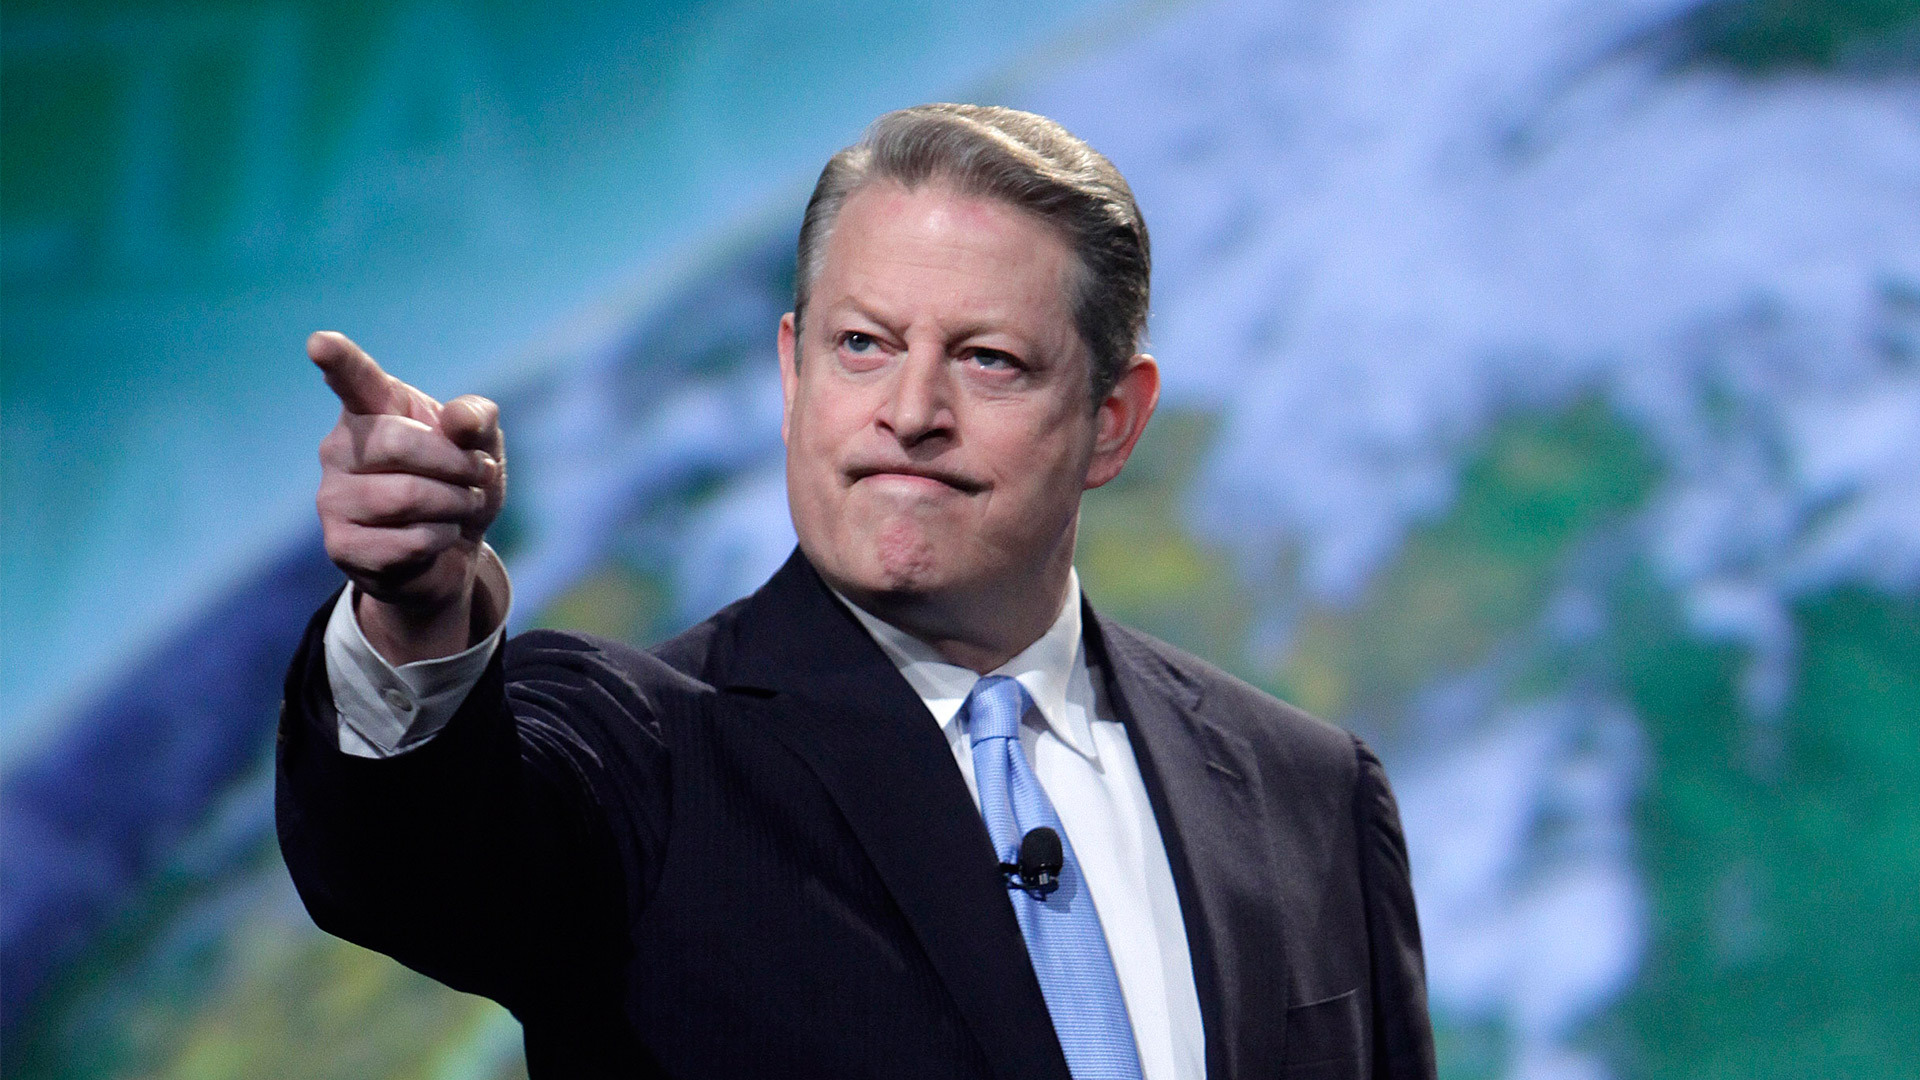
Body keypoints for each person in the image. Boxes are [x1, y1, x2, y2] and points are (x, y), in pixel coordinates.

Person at [277, 103, 1435, 1079]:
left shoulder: (1311, 794)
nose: (912, 412)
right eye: (865, 346)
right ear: (793, 371)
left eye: (988, 360)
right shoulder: (642, 754)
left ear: (1113, 421)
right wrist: (415, 616)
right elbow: (410, 864)